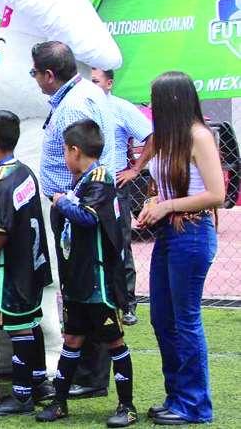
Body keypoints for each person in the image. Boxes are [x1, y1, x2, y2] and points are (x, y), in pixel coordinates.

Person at [31, 41, 117, 399]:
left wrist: (66, 201)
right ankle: (85, 372)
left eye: (35, 73)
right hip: (76, 203)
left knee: (86, 288)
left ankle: (90, 375)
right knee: (82, 286)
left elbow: (82, 163)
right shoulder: (81, 94)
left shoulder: (74, 106)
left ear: (49, 75)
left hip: (79, 206)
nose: (35, 79)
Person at [138, 71, 224, 425]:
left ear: (172, 100)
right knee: (162, 317)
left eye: (155, 100)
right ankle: (177, 396)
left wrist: (168, 206)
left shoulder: (198, 136)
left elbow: (216, 194)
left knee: (185, 319)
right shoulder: (168, 137)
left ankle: (195, 405)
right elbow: (165, 187)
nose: (151, 106)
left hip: (193, 234)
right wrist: (154, 203)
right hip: (169, 234)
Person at [37, 120, 135, 427]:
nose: (64, 157)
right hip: (78, 281)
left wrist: (60, 200)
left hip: (98, 282)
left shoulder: (100, 178)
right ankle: (59, 403)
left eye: (65, 151)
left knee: (114, 341)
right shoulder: (82, 181)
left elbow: (87, 217)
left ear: (75, 151)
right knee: (72, 339)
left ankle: (127, 406)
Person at [0, 110, 55, 416]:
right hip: (32, 265)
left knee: (19, 329)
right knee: (31, 322)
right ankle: (39, 382)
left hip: (12, 270)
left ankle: (21, 396)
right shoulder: (24, 171)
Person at [91, 68, 154, 325]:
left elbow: (151, 136)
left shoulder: (120, 108)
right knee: (88, 243)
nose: (91, 85)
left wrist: (135, 169)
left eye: (95, 81)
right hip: (86, 186)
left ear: (109, 83)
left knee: (120, 242)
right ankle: (95, 301)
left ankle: (127, 303)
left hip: (114, 185)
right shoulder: (80, 106)